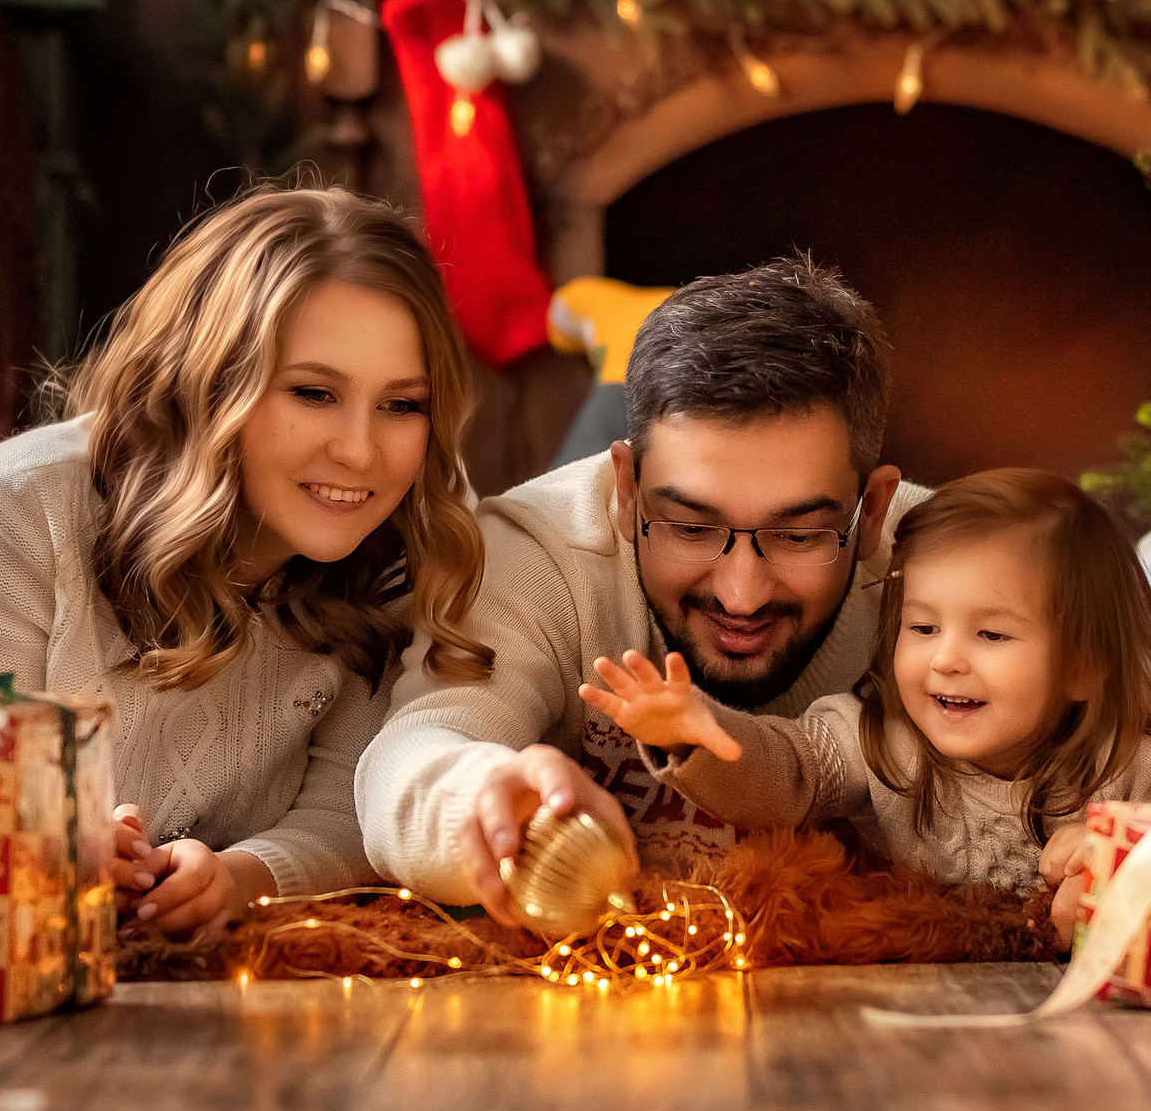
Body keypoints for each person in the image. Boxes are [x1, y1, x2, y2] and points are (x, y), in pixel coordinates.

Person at [0, 187, 491, 935]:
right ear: (210, 380)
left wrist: (242, 878)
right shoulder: (11, 513)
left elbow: (350, 807)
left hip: (225, 1013)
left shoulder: (403, 537)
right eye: (313, 391)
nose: (361, 451)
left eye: (403, 405)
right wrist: (44, 845)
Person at [355, 256, 917, 921]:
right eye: (689, 525)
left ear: (873, 510)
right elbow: (409, 755)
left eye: (798, 535)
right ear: (627, 490)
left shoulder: (944, 566)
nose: (741, 595)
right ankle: (616, 341)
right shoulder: (532, 550)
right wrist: (479, 791)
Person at [579, 468, 1151, 944]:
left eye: (992, 632)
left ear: (1079, 665)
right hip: (935, 1014)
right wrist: (700, 737)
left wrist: (1142, 842)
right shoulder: (881, 739)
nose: (945, 658)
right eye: (924, 626)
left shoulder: (1140, 763)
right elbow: (789, 770)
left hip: (1097, 1050)